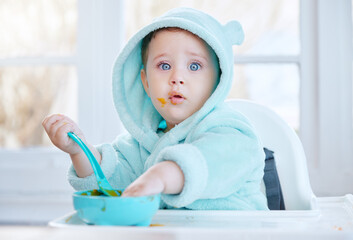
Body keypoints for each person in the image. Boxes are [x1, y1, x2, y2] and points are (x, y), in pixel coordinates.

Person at [42, 7, 268, 210]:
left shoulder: (233, 134)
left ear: (218, 80)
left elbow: (211, 159)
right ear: (146, 83)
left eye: (194, 66)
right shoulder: (141, 145)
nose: (177, 77)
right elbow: (109, 184)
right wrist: (79, 150)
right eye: (164, 65)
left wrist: (161, 176)